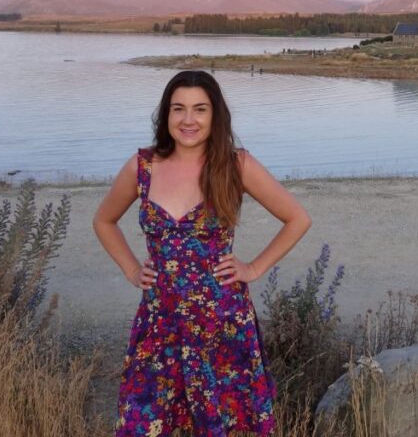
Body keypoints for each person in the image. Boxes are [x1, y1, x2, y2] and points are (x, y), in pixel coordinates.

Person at [94, 70, 311, 436]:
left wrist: (254, 267)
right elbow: (104, 221)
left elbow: (297, 218)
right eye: (178, 109)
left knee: (219, 425)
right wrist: (132, 270)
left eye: (200, 109)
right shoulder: (142, 167)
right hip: (160, 321)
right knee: (141, 424)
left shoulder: (235, 165)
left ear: (215, 115)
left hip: (221, 321)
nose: (189, 120)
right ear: (166, 116)